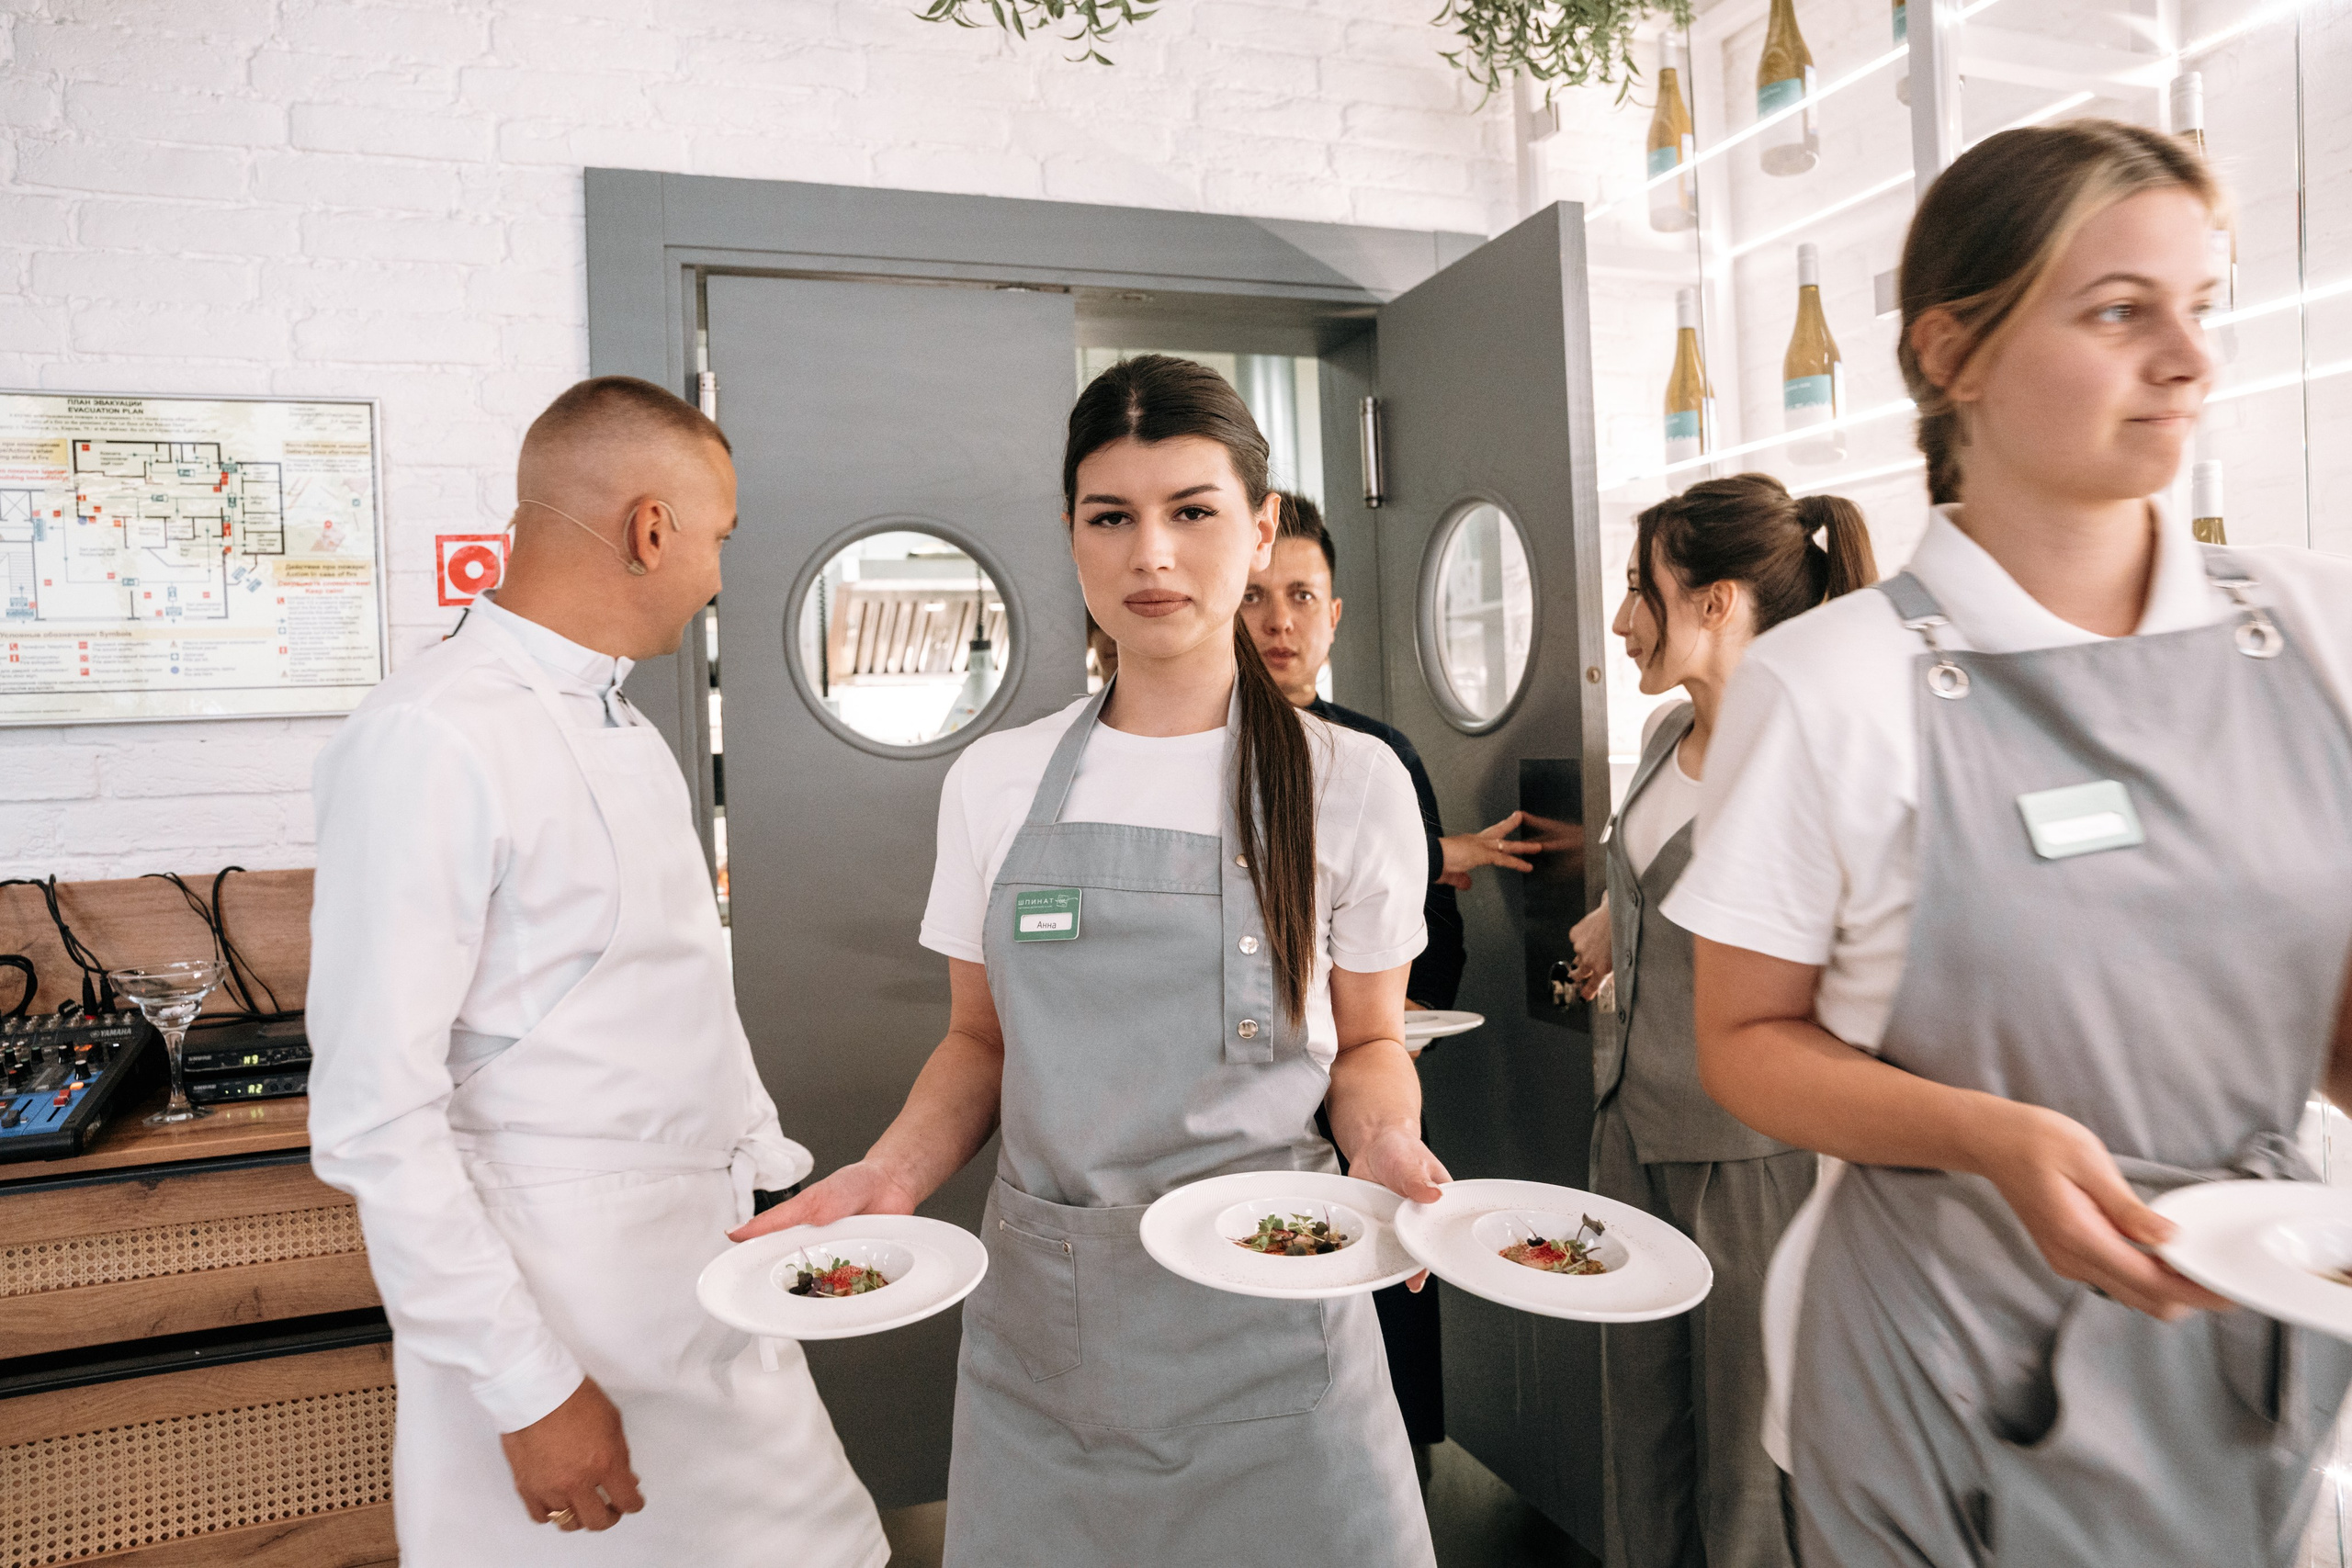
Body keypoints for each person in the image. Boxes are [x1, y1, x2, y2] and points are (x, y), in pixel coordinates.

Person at [1673, 123, 2352, 1565]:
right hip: (1946, 1362)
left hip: (2255, 1339)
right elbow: (1744, 1036)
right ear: (1951, 355)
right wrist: (1990, 1133)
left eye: (2201, 306)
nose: (2186, 359)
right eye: (2119, 310)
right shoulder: (1833, 685)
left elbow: (2318, 998)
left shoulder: (2315, 630)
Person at [735, 355, 1443, 1566]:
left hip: (1280, 1323)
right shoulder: (999, 780)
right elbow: (980, 1039)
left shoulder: (1353, 779)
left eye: (1193, 511)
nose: (1151, 554)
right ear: (1071, 535)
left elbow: (1371, 1038)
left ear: (1259, 528)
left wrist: (1380, 1139)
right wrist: (892, 1172)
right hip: (1055, 1351)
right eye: (1111, 516)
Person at [307, 377, 884, 1566]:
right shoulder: (432, 734)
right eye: (718, 537)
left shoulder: (629, 726)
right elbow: (374, 1111)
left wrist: (772, 1184)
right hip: (556, 1312)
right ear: (650, 528)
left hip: (702, 1280)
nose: (720, 577)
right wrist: (529, 1387)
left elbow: (666, 1002)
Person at [1565, 474, 1874, 1568]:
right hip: (1630, 1137)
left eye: (1637, 591)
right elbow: (1664, 870)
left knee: (1746, 1470)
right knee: (1639, 1443)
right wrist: (1614, 915)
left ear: (1714, 602)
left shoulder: (1818, 761)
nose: (1617, 621)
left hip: (1753, 1163)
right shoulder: (1661, 737)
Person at [1237, 492, 1537, 1461]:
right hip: (1234, 1123)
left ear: (1333, 616)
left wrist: (1383, 1008)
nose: (1277, 620)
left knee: (1383, 1369)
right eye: (1252, 596)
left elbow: (1431, 936)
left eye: (1300, 595)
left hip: (1367, 1100)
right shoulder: (1170, 758)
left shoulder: (1376, 760)